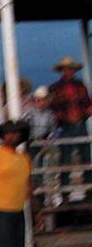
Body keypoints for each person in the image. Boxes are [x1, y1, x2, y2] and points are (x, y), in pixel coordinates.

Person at [48, 56, 92, 184]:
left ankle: (89, 189)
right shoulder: (55, 88)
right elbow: (51, 107)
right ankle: (65, 191)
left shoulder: (80, 86)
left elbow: (87, 103)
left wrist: (86, 112)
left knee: (86, 156)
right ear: (62, 71)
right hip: (64, 124)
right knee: (65, 157)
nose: (68, 71)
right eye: (66, 69)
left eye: (70, 69)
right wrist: (59, 115)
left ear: (74, 71)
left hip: (80, 122)